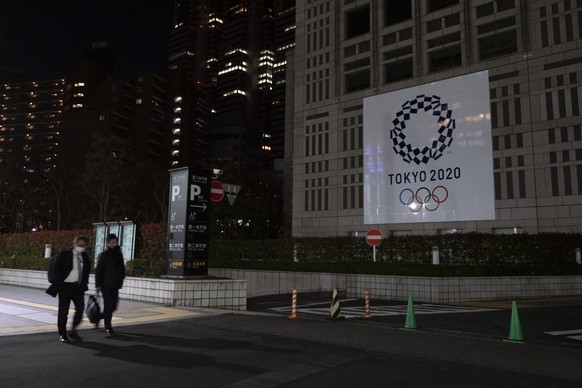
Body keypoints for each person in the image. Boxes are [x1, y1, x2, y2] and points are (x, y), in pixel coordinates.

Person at [52, 235, 91, 343]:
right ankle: (62, 334)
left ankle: (73, 330)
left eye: (84, 245)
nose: (82, 247)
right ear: (75, 243)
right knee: (63, 312)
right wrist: (58, 283)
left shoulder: (84, 256)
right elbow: (56, 269)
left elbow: (86, 272)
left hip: (78, 287)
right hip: (65, 286)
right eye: (80, 245)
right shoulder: (65, 254)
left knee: (80, 308)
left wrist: (84, 284)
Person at [95, 233, 126, 336]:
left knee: (113, 306)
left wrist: (121, 277)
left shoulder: (119, 254)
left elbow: (122, 268)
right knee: (108, 306)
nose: (114, 244)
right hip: (105, 285)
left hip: (115, 284)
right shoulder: (104, 255)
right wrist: (98, 285)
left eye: (116, 242)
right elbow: (99, 271)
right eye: (112, 242)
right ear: (107, 243)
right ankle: (108, 327)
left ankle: (98, 317)